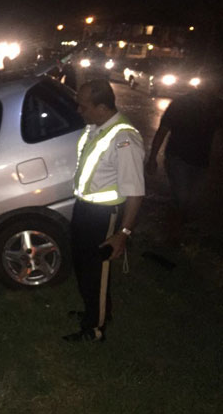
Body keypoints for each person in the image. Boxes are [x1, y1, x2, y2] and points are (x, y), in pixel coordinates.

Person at [63, 79, 145, 343]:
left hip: (105, 216)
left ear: (101, 107)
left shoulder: (124, 139)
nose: (79, 110)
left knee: (96, 270)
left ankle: (95, 328)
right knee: (84, 266)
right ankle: (95, 310)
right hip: (85, 209)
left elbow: (135, 193)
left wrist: (123, 233)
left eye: (83, 106)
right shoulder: (96, 128)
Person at [146, 79, 223, 241]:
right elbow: (163, 130)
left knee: (191, 200)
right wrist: (152, 157)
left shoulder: (216, 106)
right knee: (182, 196)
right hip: (178, 158)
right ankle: (172, 232)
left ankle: (176, 227)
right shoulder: (181, 103)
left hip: (201, 161)